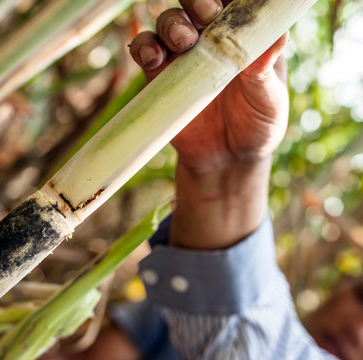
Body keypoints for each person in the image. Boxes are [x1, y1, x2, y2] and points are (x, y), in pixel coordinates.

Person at [44, 1, 363, 359]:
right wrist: (222, 166)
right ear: (342, 285)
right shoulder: (180, 305)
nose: (359, 330)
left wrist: (234, 173)